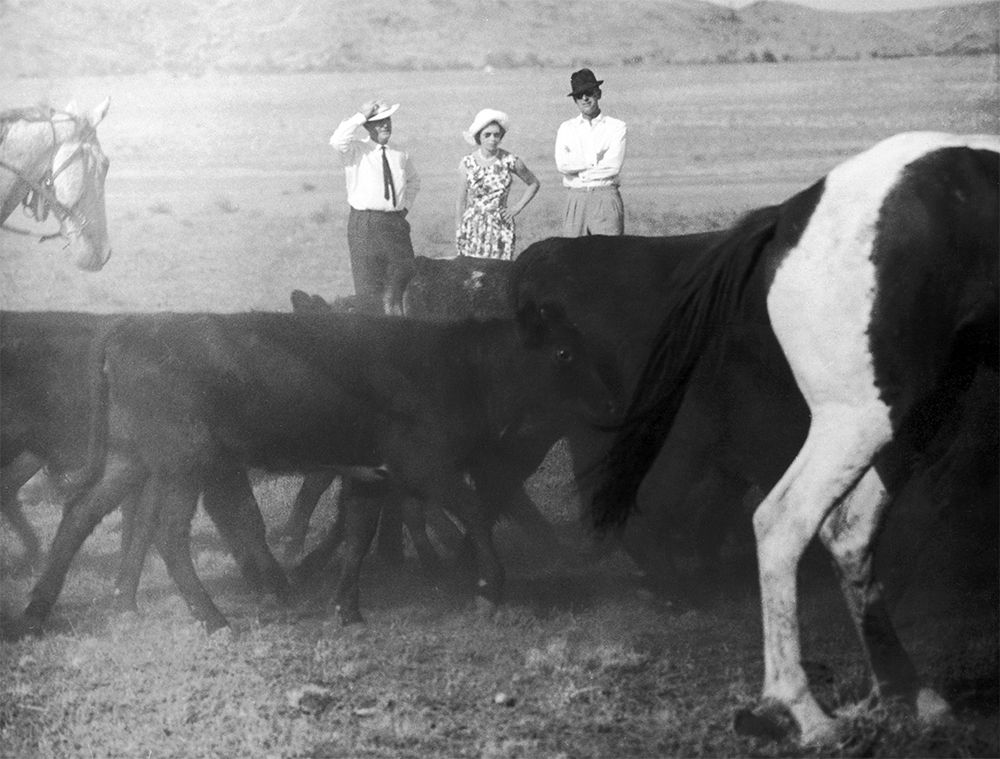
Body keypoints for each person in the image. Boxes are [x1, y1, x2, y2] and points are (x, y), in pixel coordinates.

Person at [330, 99, 420, 315]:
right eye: (378, 123)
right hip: (365, 224)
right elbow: (337, 140)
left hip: (395, 224)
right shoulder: (355, 150)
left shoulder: (400, 153)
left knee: (404, 283)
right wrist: (360, 115)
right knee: (369, 289)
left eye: (387, 121)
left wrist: (403, 209)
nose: (385, 126)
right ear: (367, 127)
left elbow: (414, 181)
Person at [455, 109, 539, 260]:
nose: (492, 139)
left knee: (499, 274)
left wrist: (516, 208)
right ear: (478, 137)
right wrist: (459, 229)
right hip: (472, 226)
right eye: (487, 135)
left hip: (500, 227)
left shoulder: (510, 160)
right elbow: (461, 201)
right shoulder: (467, 163)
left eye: (496, 134)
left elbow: (533, 183)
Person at [554, 68, 627, 236]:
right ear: (575, 100)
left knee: (608, 256)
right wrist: (594, 163)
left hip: (605, 196)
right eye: (579, 95)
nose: (584, 98)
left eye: (588, 93)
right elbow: (563, 165)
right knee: (572, 256)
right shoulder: (566, 128)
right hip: (575, 198)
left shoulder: (616, 127)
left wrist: (579, 171)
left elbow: (612, 167)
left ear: (598, 94)